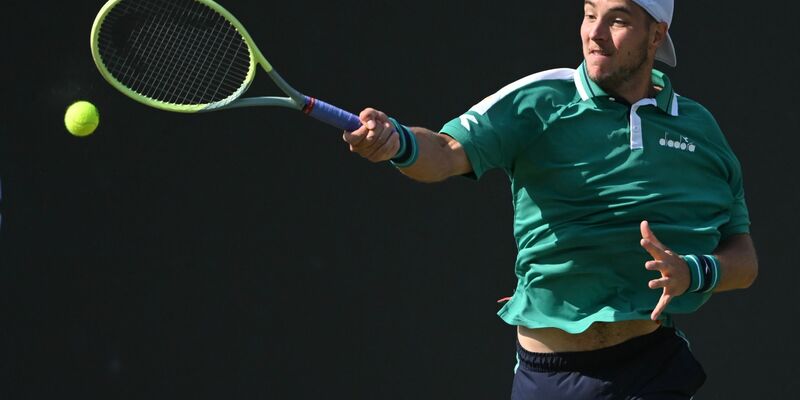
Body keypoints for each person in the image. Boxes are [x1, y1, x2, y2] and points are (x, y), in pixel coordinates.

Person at [342, 0, 758, 398]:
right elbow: (446, 153)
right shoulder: (539, 99)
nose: (595, 34)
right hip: (551, 377)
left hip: (650, 366)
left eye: (617, 21)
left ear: (655, 35)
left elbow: (743, 259)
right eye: (589, 14)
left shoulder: (699, 130)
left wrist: (693, 272)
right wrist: (397, 143)